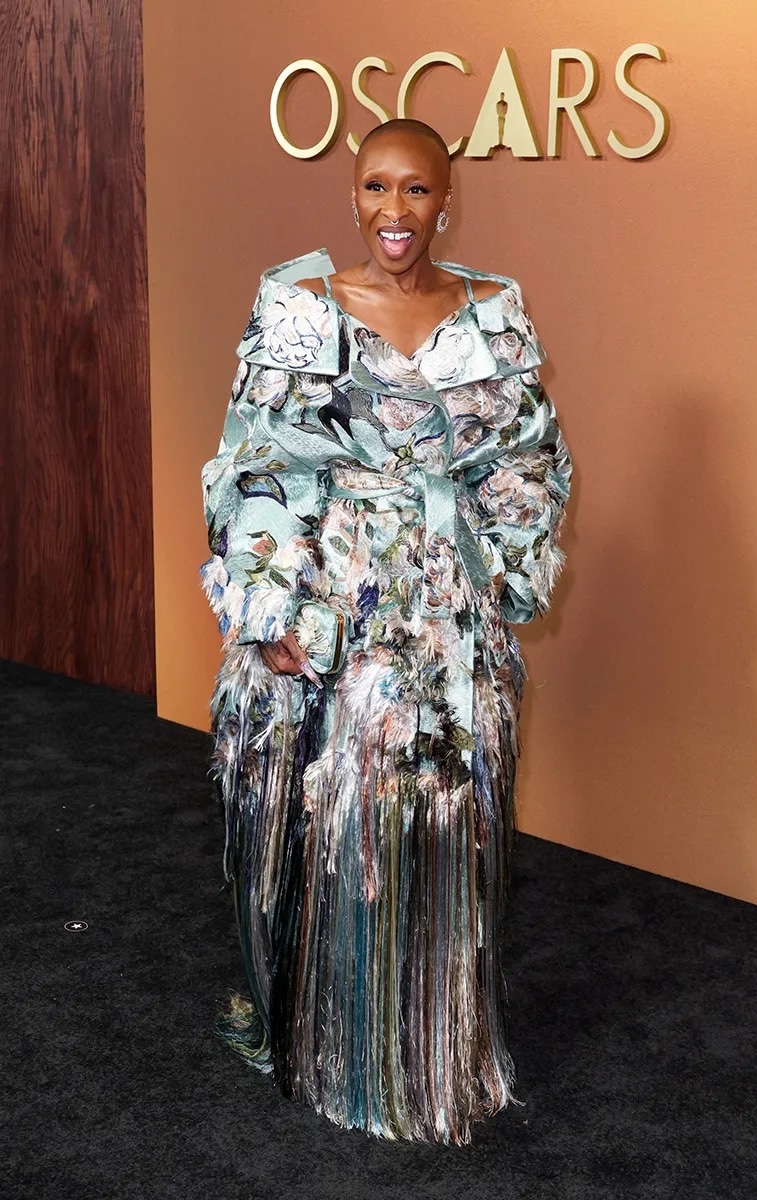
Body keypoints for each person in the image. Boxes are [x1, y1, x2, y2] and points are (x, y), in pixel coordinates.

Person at [201, 118, 572, 1145]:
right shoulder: (299, 308)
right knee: (340, 827)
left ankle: (431, 1051)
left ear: (445, 201)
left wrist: (502, 577)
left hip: (444, 608)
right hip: (336, 602)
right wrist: (267, 610)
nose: (393, 211)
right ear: (353, 195)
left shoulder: (491, 314)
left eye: (415, 190)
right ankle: (336, 1045)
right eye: (375, 187)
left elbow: (526, 459)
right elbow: (257, 462)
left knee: (439, 825)